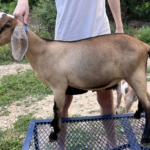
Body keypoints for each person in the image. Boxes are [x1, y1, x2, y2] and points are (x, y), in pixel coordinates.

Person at [13, 0, 124, 148]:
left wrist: (119, 26)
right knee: (63, 101)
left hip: (99, 37)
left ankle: (112, 144)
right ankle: (61, 146)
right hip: (66, 40)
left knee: (106, 98)